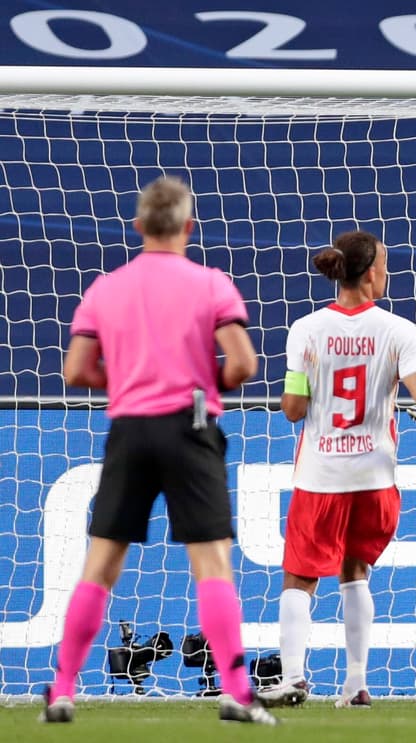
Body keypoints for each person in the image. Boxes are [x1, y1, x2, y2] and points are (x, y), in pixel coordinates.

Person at [44, 176, 274, 724]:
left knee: (101, 562)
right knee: (211, 561)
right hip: (190, 425)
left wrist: (127, 381)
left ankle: (62, 691)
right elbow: (243, 363)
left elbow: (75, 370)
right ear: (189, 227)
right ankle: (236, 693)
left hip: (130, 427)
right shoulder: (211, 284)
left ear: (138, 226)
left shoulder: (106, 288)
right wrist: (204, 382)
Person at [260, 231, 416, 709]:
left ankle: (292, 677)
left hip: (321, 476)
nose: (386, 272)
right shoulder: (399, 330)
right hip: (375, 480)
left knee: (299, 578)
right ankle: (356, 684)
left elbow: (292, 410)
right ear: (370, 272)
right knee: (356, 572)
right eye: (384, 263)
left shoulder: (306, 329)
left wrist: (308, 381)